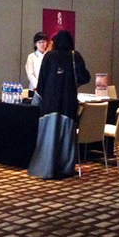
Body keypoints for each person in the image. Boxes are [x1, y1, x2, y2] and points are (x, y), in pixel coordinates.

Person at [27, 30, 90, 179]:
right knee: (66, 135)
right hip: (68, 103)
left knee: (49, 135)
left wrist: (37, 101)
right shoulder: (74, 56)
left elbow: (41, 81)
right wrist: (72, 83)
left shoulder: (49, 56)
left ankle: (47, 167)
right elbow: (85, 77)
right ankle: (65, 168)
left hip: (50, 103)